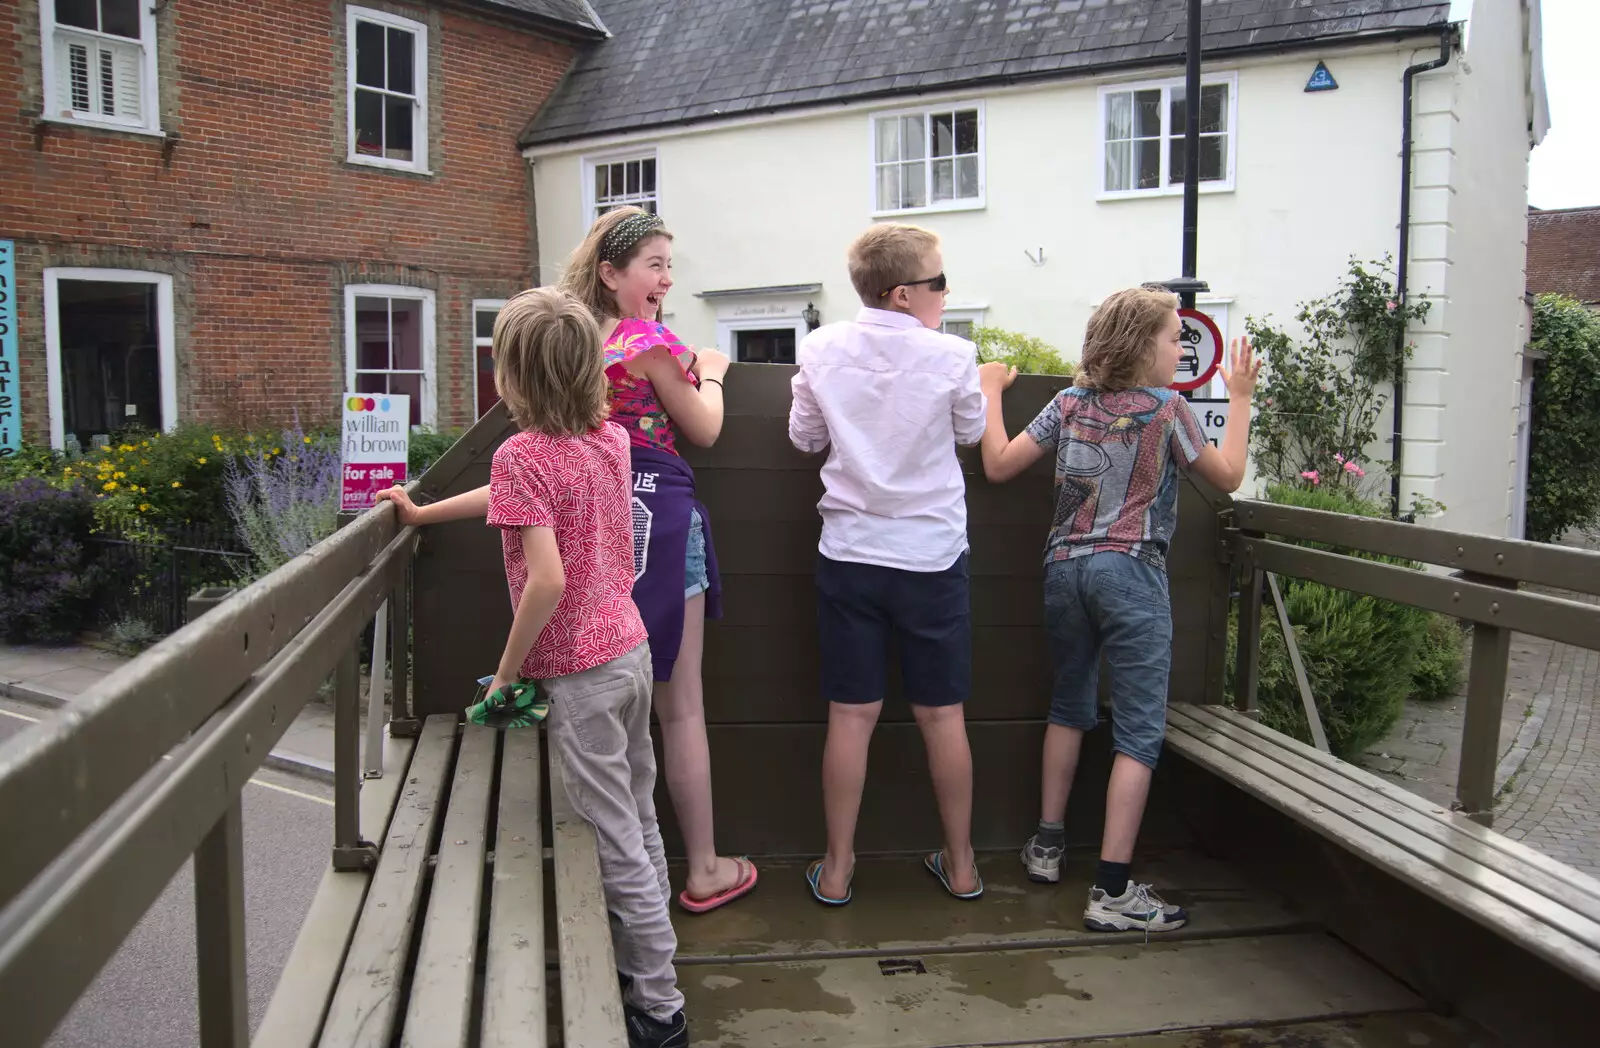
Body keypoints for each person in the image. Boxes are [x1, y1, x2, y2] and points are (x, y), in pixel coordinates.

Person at [379, 207, 756, 914]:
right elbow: (703, 428)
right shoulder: (650, 340)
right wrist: (712, 373)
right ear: (612, 273)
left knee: (608, 705)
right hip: (663, 524)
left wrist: (425, 512)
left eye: (669, 266)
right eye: (655, 265)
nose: (667, 280)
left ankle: (607, 875)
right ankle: (700, 867)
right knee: (679, 710)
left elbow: (528, 481)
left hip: (600, 539)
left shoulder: (575, 345)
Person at [975, 286, 1260, 933]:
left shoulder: (1069, 402)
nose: (1176, 351)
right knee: (1137, 731)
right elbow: (1230, 476)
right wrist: (1240, 399)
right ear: (1142, 346)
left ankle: (1047, 847)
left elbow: (997, 465)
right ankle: (1111, 891)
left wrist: (990, 390)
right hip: (1130, 573)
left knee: (1069, 704)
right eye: (1170, 339)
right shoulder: (1169, 409)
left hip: (1063, 570)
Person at [479, 286, 685, 1047]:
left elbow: (548, 580)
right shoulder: (607, 436)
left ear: (515, 375)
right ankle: (657, 960)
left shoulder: (521, 455)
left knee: (613, 833)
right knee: (639, 814)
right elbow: (517, 501)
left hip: (582, 675)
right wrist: (423, 510)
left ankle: (660, 1012)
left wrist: (507, 674)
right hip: (631, 651)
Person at [788, 222, 987, 905]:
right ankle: (960, 865)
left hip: (850, 555)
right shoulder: (955, 358)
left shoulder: (819, 348)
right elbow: (970, 431)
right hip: (932, 556)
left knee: (851, 715)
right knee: (943, 716)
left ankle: (838, 869)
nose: (945, 293)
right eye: (938, 283)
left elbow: (804, 436)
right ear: (904, 294)